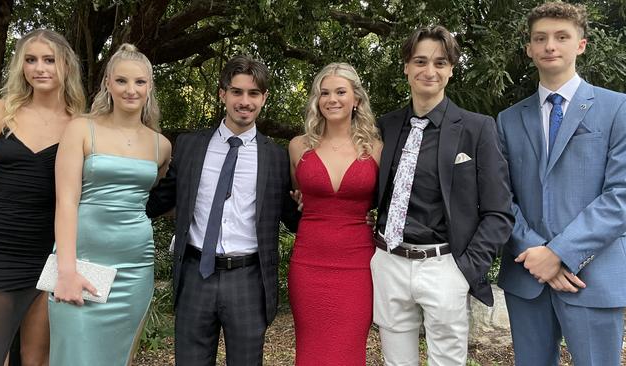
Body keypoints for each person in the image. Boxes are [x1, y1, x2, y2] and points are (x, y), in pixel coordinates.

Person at [496, 2, 626, 365]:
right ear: (529, 48)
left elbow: (624, 195)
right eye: (540, 38)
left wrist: (559, 254)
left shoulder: (620, 109)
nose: (550, 46)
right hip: (527, 277)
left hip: (594, 274)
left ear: (581, 45)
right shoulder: (508, 120)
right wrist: (535, 253)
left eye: (561, 37)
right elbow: (500, 195)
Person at [373, 25, 514, 365]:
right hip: (389, 262)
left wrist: (465, 269)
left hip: (444, 265)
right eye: (420, 61)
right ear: (406, 66)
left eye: (439, 62)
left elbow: (500, 212)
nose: (429, 71)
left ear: (451, 69)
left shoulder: (477, 128)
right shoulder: (384, 126)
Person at [146, 55, 300, 365]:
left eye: (253, 93)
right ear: (222, 94)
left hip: (247, 278)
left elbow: (294, 218)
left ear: (264, 98)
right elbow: (155, 202)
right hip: (194, 274)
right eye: (237, 92)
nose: (245, 101)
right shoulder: (189, 146)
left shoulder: (276, 158)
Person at [49, 43, 171, 365]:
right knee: (73, 356)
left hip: (134, 270)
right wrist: (66, 270)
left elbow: (150, 194)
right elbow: (66, 201)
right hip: (80, 265)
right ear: (107, 83)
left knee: (117, 358)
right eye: (121, 81)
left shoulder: (161, 146)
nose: (131, 90)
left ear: (149, 87)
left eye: (140, 82)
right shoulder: (81, 128)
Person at [0, 29, 86, 366]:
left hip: (51, 256)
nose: (39, 68)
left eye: (49, 59)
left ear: (66, 66)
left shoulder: (81, 125)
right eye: (30, 60)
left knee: (37, 359)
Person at [287, 63, 382, 365]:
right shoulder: (298, 147)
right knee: (310, 351)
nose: (332, 99)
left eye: (340, 92)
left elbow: (390, 201)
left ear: (356, 99)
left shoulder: (377, 149)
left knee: (349, 351)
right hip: (308, 263)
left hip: (358, 265)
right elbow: (297, 195)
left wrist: (378, 218)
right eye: (324, 93)